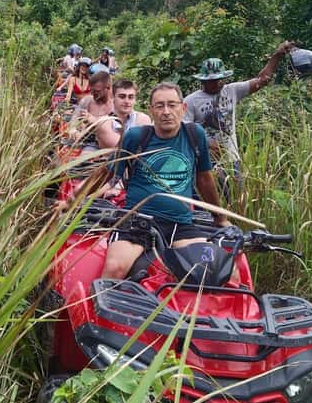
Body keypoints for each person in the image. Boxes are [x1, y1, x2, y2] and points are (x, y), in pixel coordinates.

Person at [101, 82, 228, 279]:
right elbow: (107, 173)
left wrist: (220, 217)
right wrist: (73, 199)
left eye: (172, 105)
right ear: (151, 111)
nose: (166, 111)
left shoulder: (195, 135)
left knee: (215, 271)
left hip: (180, 224)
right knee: (115, 268)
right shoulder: (136, 136)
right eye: (159, 106)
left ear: (183, 108)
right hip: (137, 222)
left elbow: (204, 179)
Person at [183, 44, 295, 197]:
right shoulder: (191, 101)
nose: (216, 83)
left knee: (235, 200)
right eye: (211, 80)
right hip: (204, 163)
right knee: (206, 204)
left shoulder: (231, 91)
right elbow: (184, 130)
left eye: (219, 79)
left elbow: (262, 80)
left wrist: (276, 56)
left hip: (231, 160)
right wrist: (207, 144)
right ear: (203, 81)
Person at [95, 78, 151, 149]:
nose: (127, 101)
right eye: (122, 96)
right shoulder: (103, 121)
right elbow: (119, 148)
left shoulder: (143, 119)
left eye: (131, 97)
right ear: (112, 97)